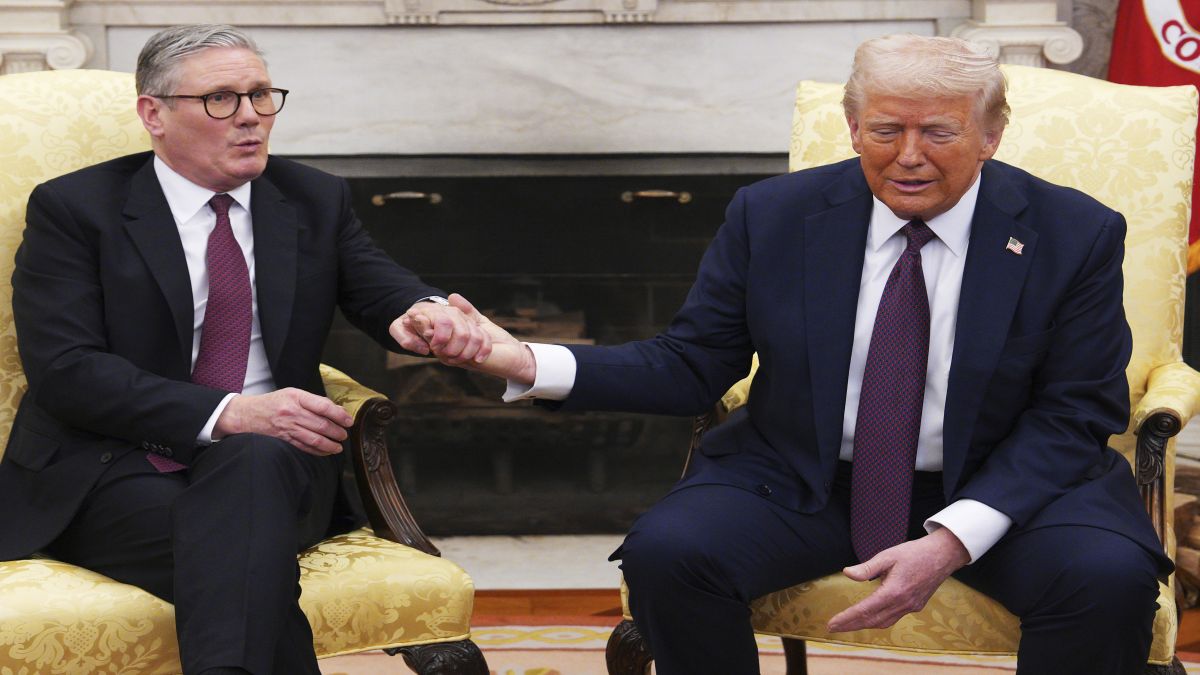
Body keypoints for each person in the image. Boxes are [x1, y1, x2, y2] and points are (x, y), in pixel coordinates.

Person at [401, 34, 1173, 675]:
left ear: (991, 133)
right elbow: (690, 363)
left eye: (938, 132)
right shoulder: (773, 215)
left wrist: (952, 537)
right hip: (806, 476)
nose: (909, 156)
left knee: (1107, 579)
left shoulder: (1073, 232)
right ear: (851, 125)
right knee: (671, 553)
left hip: (1008, 485)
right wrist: (523, 361)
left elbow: (1076, 412)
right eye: (884, 130)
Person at [0, 24, 489, 675]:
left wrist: (423, 312)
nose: (252, 117)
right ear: (155, 114)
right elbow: (67, 371)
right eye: (222, 99)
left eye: (262, 95)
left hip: (280, 469)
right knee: (240, 553)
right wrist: (230, 412)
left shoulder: (312, 197)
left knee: (254, 466)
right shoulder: (76, 209)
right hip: (116, 467)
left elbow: (381, 287)